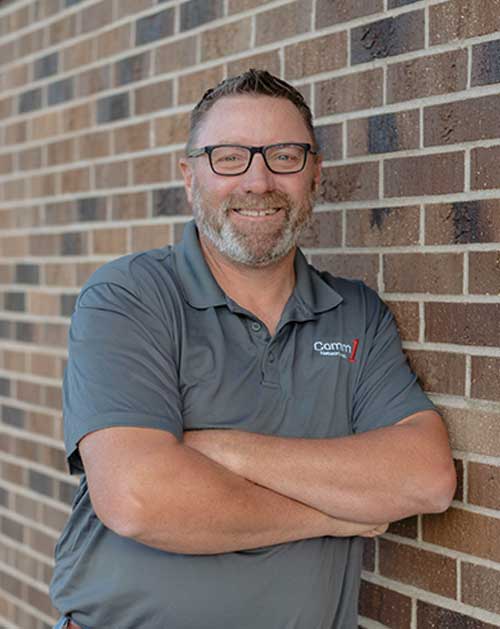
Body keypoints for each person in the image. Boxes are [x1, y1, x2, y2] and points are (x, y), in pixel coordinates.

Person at [50, 69, 456, 629]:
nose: (259, 180)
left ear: (314, 175)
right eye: (229, 157)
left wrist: (225, 450)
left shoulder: (355, 312)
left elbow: (426, 479)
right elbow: (139, 498)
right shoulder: (130, 297)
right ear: (190, 177)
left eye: (285, 156)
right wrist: (331, 517)